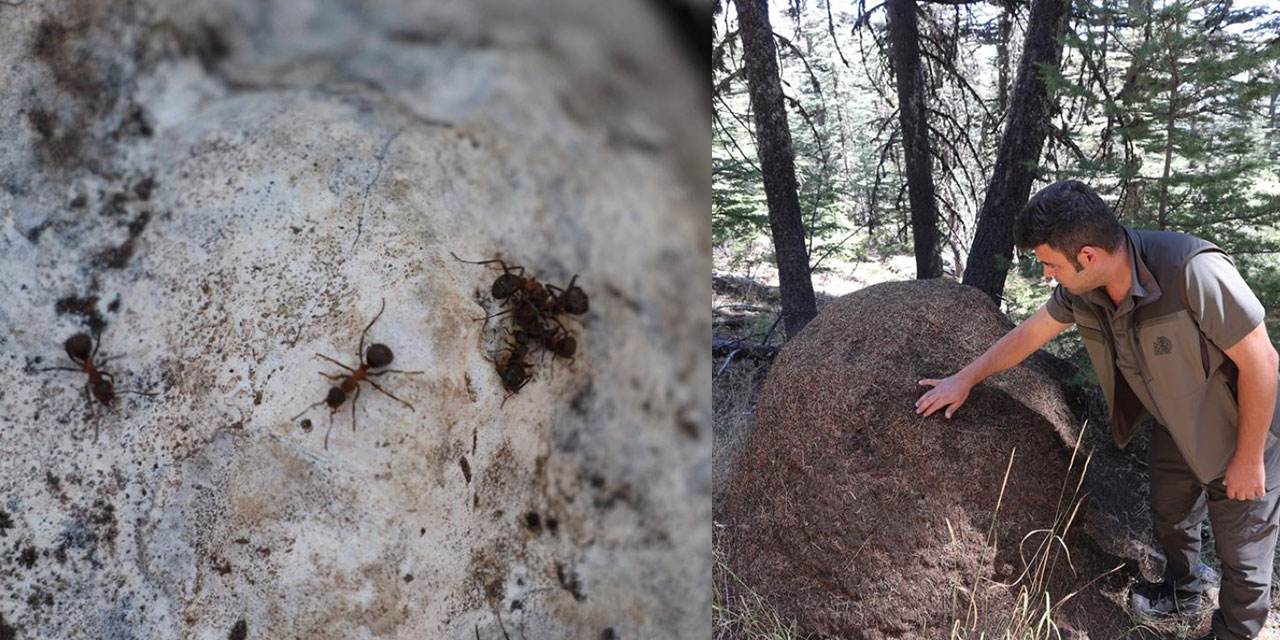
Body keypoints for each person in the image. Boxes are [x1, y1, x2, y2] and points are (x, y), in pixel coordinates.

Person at [915, 180, 1280, 640]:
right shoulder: (1083, 289)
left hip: (1244, 431)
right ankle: (1183, 589)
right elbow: (1029, 335)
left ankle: (1235, 632)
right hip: (1174, 425)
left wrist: (1248, 459)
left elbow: (1263, 363)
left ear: (1087, 256)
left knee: (1244, 558)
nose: (1046, 274)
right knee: (1171, 517)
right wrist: (964, 378)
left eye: (1049, 263)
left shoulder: (1192, 272)